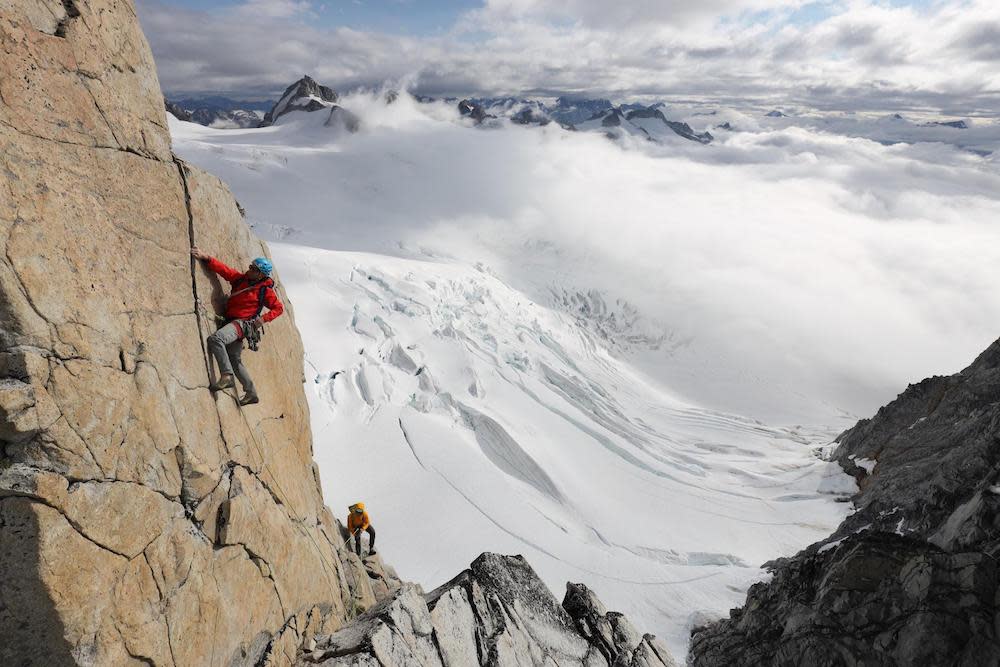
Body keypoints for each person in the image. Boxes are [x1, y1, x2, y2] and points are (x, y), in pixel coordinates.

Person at [191, 247, 284, 405]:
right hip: (232, 321)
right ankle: (251, 393)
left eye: (254, 269)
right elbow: (225, 270)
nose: (249, 270)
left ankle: (227, 376)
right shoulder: (241, 280)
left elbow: (279, 308)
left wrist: (262, 320)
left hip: (242, 324)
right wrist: (206, 257)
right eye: (250, 266)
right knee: (234, 359)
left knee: (216, 340)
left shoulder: (265, 291)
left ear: (261, 274)